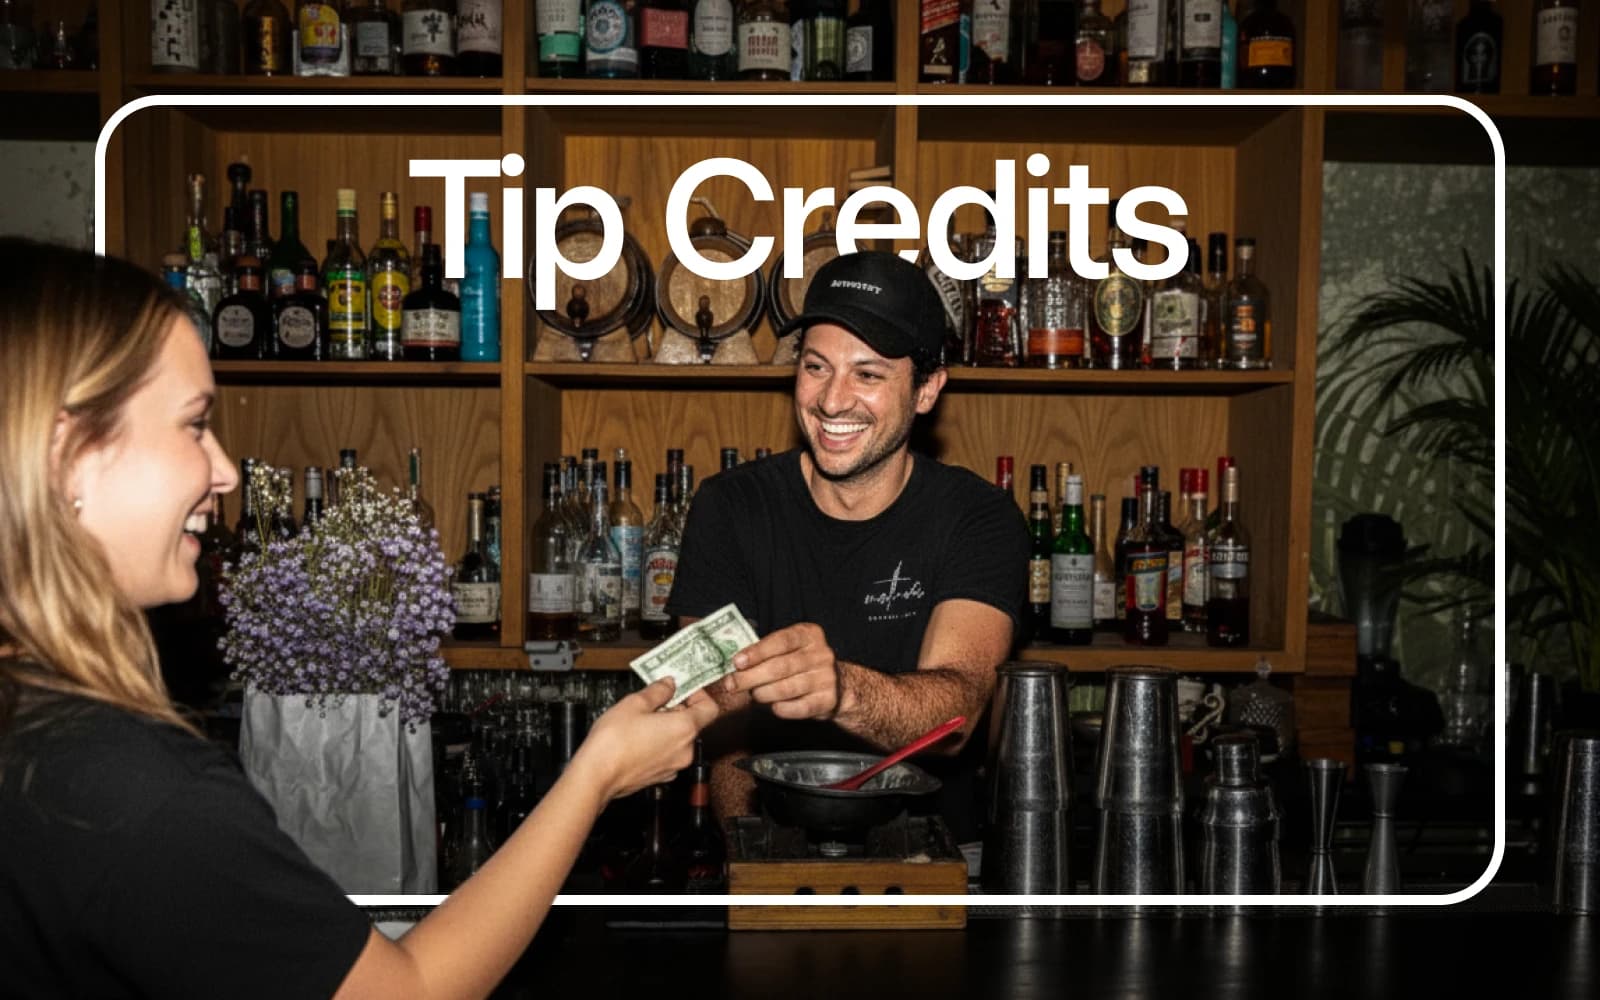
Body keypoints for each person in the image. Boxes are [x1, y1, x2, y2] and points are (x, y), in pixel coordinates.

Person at [0, 237, 718, 999]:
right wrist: (597, 773)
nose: (225, 470)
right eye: (192, 424)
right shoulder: (129, 792)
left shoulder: (34, 726)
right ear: (68, 452)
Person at [665, 250, 1029, 839]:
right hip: (766, 848)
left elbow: (958, 713)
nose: (832, 402)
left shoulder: (980, 517)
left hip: (932, 856)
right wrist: (749, 863)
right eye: (815, 367)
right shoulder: (728, 506)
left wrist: (840, 690)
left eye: (868, 374)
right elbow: (715, 714)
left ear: (927, 389)